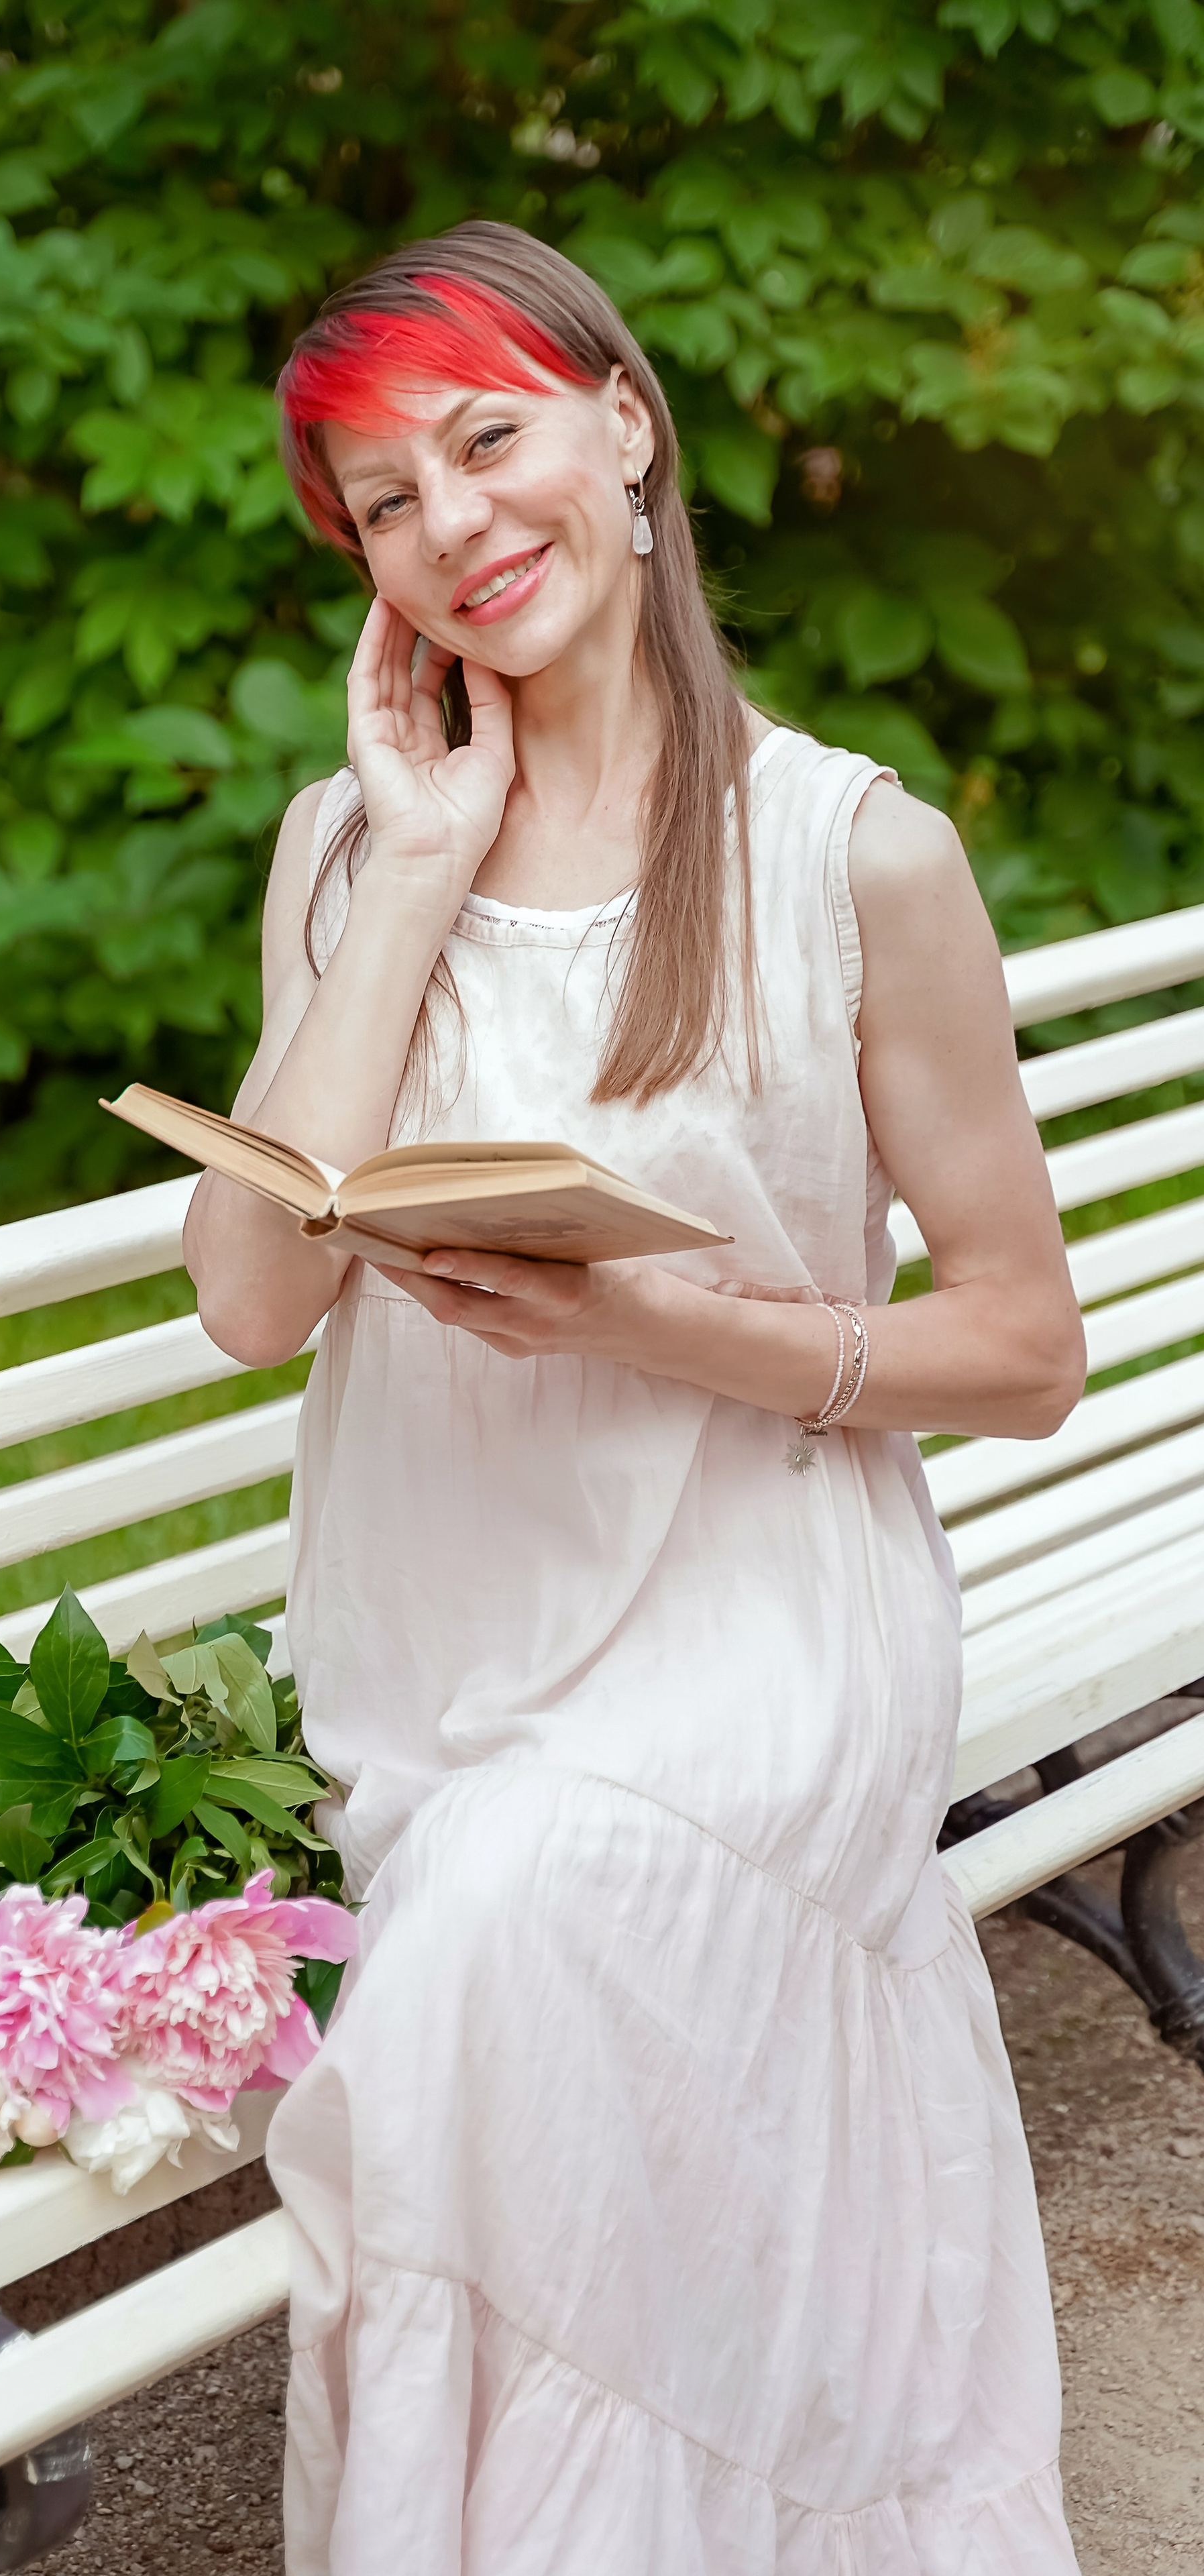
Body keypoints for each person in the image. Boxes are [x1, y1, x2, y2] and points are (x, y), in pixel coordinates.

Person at [182, 221, 1087, 2573]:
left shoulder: (852, 852)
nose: (457, 526)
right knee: (502, 1893)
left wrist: (658, 1319)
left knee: (519, 1909)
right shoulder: (342, 848)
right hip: (443, 1635)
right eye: (386, 499)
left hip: (756, 1622)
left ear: (625, 426)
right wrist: (406, 871)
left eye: (489, 441)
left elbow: (1021, 1346)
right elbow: (250, 1296)